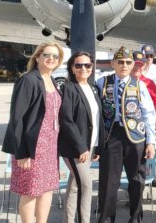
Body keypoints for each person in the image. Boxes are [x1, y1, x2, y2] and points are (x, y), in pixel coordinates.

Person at [2, 42, 64, 223]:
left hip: (50, 146)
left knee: (46, 189)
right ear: (37, 57)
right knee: (30, 191)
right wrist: (22, 152)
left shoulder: (52, 80)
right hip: (31, 146)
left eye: (55, 56)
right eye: (46, 55)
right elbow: (16, 118)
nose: (51, 58)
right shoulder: (28, 79)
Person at [96, 46, 156, 223]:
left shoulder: (139, 85)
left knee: (137, 179)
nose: (124, 65)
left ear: (133, 65)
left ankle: (135, 217)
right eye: (120, 62)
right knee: (108, 180)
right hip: (111, 135)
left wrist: (150, 142)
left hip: (135, 136)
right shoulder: (102, 82)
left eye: (128, 62)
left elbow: (148, 114)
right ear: (113, 63)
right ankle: (106, 218)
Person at [59, 51, 104, 223]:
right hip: (75, 148)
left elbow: (97, 119)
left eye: (87, 65)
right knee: (86, 185)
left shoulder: (93, 88)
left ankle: (68, 220)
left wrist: (97, 146)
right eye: (78, 65)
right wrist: (81, 147)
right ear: (72, 67)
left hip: (90, 146)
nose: (83, 68)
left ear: (92, 68)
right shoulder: (68, 88)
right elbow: (67, 120)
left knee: (74, 186)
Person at [132, 51, 156, 140]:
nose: (137, 68)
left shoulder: (149, 83)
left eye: (140, 65)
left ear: (144, 66)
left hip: (146, 127)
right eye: (135, 64)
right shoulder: (123, 82)